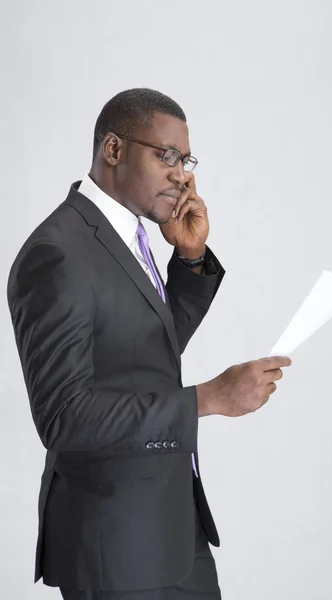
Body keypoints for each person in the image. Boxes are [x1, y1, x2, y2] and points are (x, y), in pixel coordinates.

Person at [7, 88, 292, 599]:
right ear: (113, 150)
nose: (181, 174)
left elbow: (145, 352)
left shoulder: (130, 237)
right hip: (114, 544)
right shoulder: (57, 253)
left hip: (175, 530)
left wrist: (189, 258)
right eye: (166, 156)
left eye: (185, 160)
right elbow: (63, 416)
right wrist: (208, 400)